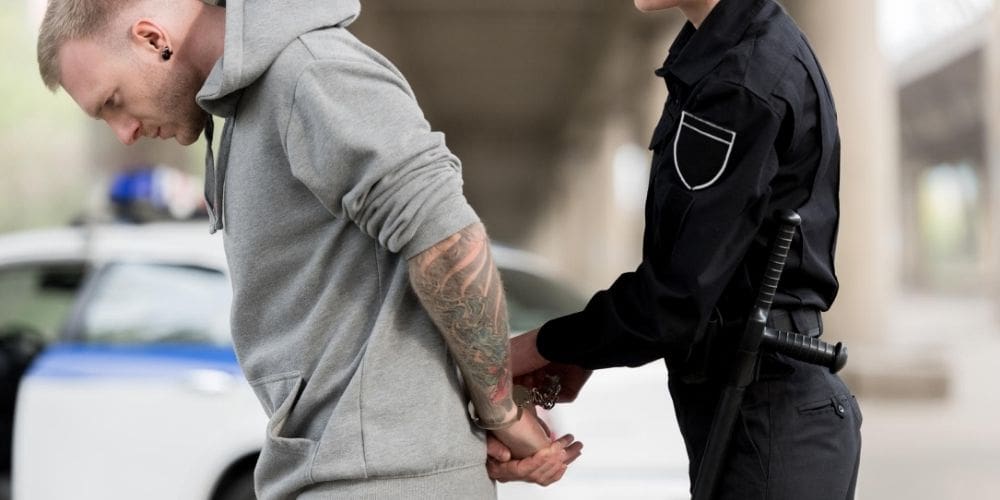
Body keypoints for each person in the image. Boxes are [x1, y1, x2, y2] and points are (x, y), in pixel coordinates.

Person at [36, 0, 581, 497]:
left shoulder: (311, 74)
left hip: (376, 482)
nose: (124, 132)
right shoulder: (253, 107)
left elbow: (448, 243)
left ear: (154, 39)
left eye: (113, 102)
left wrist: (501, 412)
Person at [489, 0, 863, 498]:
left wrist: (530, 349)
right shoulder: (720, 53)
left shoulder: (741, 79)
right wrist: (580, 354)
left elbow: (675, 299)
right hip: (750, 407)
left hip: (765, 415)